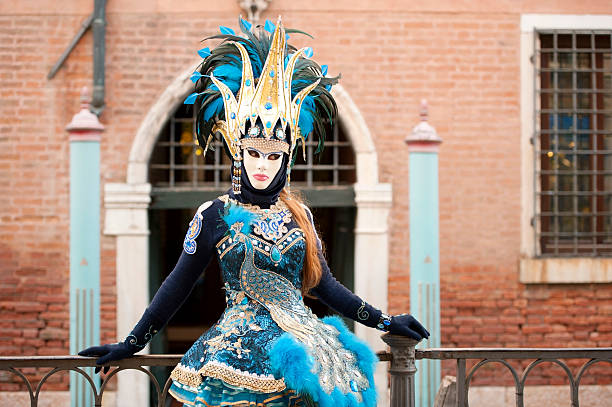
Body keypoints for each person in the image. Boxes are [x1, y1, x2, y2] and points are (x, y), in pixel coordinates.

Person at [79, 16, 429, 407]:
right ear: (238, 154)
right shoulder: (215, 214)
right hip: (239, 352)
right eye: (254, 154)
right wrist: (133, 341)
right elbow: (177, 285)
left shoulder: (300, 216)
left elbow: (325, 286)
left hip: (308, 346)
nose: (262, 165)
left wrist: (384, 321)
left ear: (287, 161)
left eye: (273, 156)